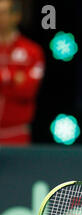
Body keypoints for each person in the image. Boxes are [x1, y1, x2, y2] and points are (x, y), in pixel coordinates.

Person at [0, 0, 44, 145]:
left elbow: (28, 91)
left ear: (16, 16)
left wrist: (3, 77)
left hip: (16, 133)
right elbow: (18, 84)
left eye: (3, 12)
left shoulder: (32, 51)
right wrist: (13, 78)